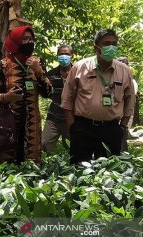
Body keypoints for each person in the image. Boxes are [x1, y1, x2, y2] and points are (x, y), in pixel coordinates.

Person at [61, 29, 135, 164]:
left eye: (114, 44)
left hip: (111, 129)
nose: (111, 47)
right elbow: (67, 98)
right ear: (96, 48)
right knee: (79, 170)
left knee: (108, 173)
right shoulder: (80, 67)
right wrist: (72, 125)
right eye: (107, 44)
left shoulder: (124, 71)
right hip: (83, 128)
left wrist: (123, 126)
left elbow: (130, 100)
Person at [0, 25, 52, 163]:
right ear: (16, 41)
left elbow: (49, 93)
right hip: (7, 124)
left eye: (31, 39)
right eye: (25, 39)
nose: (29, 42)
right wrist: (6, 97)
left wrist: (38, 71)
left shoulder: (37, 63)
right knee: (6, 166)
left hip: (31, 125)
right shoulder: (3, 65)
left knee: (30, 167)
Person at [42, 44, 73, 153]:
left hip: (72, 118)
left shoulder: (77, 73)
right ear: (57, 56)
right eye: (61, 54)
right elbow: (45, 94)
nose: (64, 56)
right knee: (44, 145)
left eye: (67, 54)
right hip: (54, 117)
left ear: (72, 56)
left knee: (73, 149)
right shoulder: (51, 74)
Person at [117, 57, 138, 151]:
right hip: (114, 115)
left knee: (122, 136)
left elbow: (130, 100)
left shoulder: (132, 82)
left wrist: (125, 121)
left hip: (125, 115)